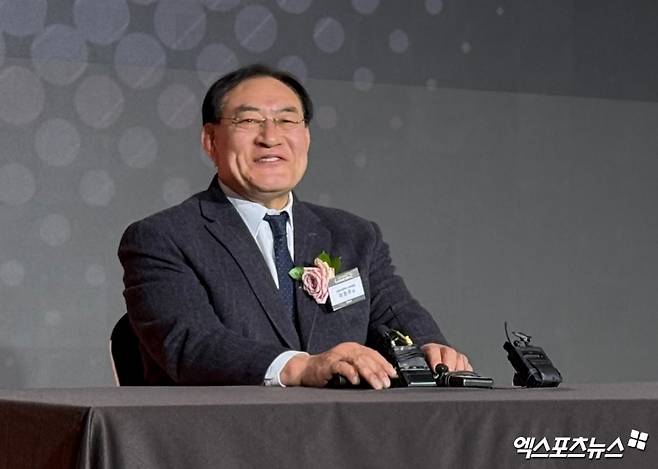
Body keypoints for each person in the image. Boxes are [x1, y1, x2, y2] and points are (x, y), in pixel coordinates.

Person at [118, 64, 471, 389]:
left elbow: (396, 314)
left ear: (307, 137)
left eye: (287, 121)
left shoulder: (354, 236)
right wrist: (299, 367)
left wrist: (431, 347)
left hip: (345, 430)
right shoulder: (163, 238)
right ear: (211, 141)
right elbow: (189, 344)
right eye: (249, 120)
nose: (271, 137)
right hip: (223, 430)